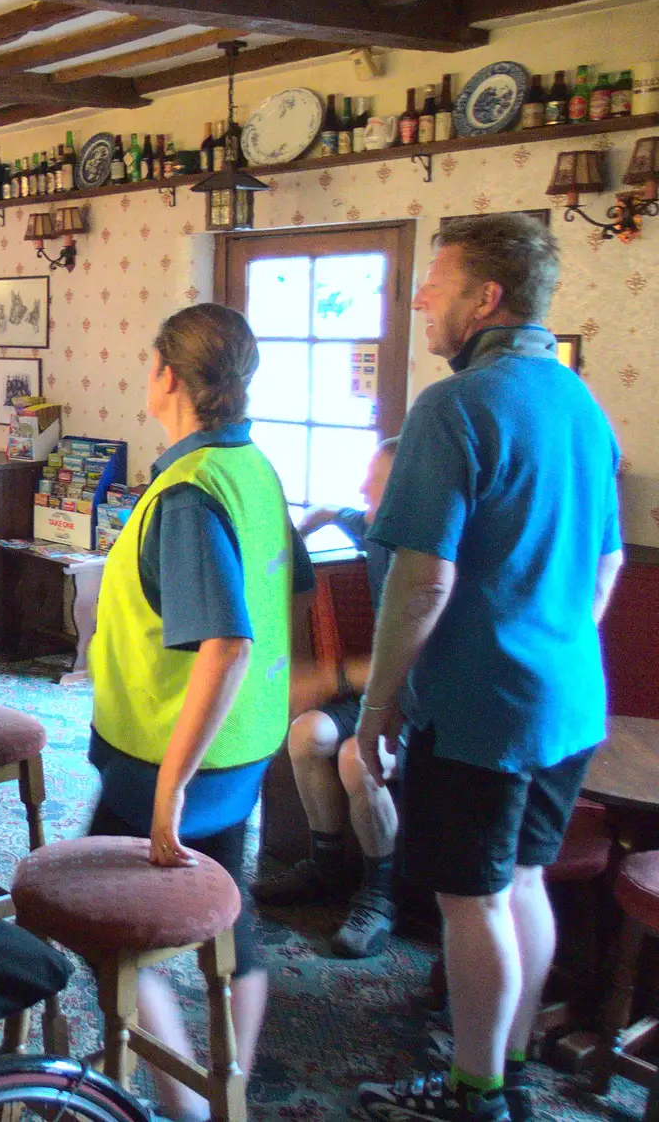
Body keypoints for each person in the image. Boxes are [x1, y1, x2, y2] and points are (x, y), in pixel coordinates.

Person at [356, 215, 623, 1122]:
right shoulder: (582, 404)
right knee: (522, 882)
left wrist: (378, 705)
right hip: (569, 701)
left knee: (470, 899)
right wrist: (549, 640)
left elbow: (421, 581)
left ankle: (477, 1095)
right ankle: (501, 1064)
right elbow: (607, 569)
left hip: (483, 710)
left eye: (438, 282)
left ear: (487, 299)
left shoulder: (455, 406)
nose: (422, 298)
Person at [87, 303, 312, 1122]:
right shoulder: (254, 468)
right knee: (232, 919)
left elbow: (228, 642)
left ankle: (183, 1101)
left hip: (167, 757)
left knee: (112, 937)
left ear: (168, 376)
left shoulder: (186, 493)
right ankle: (232, 1094)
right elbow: (287, 590)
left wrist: (169, 791)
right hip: (243, 749)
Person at [253, 437, 401, 958]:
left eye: (375, 481)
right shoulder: (379, 528)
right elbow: (337, 511)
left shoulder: (433, 558)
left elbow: (416, 663)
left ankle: (380, 895)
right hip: (373, 694)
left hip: (418, 706)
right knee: (306, 734)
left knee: (357, 760)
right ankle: (325, 866)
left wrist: (328, 678)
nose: (363, 488)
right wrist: (303, 528)